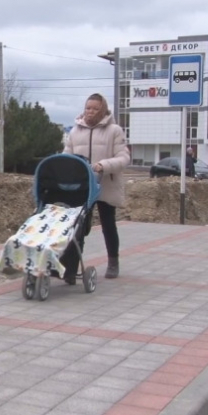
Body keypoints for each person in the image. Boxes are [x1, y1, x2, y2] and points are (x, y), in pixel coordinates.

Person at [62, 93, 130, 279]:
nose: (90, 112)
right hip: (83, 186)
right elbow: (66, 155)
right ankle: (71, 266)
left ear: (103, 109)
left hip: (106, 184)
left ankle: (113, 262)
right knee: (79, 226)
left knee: (108, 224)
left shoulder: (114, 130)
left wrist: (104, 166)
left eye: (95, 108)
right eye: (88, 108)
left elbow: (124, 157)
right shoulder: (75, 131)